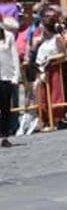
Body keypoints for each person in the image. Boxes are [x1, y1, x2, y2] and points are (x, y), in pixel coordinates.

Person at [0, 16, 20, 146]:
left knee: (5, 108)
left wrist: (16, 76)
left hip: (6, 77)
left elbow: (14, 57)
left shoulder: (8, 36)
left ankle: (4, 136)